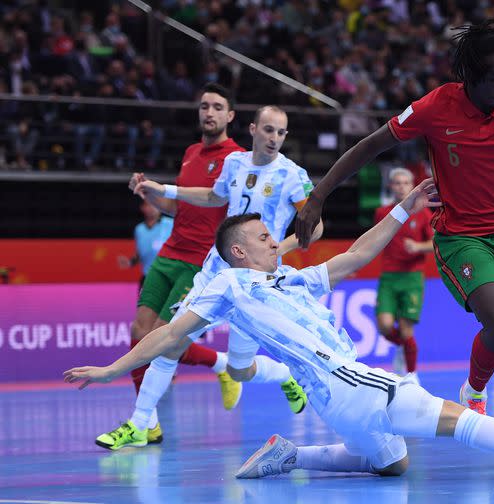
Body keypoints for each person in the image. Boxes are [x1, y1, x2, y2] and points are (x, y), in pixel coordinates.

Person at [64, 179, 494, 481]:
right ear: (238, 251)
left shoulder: (291, 279)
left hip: (335, 404)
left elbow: (355, 255)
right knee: (461, 421)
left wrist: (402, 209)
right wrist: (113, 369)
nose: (270, 240)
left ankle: (293, 455)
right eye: (261, 237)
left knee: (393, 465)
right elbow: (168, 335)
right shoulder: (227, 287)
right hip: (350, 381)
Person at [295, 19, 494, 436]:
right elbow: (370, 144)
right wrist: (318, 195)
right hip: (463, 238)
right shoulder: (435, 107)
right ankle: (474, 391)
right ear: (471, 77)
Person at [95, 105, 323, 450]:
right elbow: (213, 196)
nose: (274, 138)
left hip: (255, 284)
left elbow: (315, 227)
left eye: (281, 132)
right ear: (253, 129)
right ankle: (140, 424)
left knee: (240, 371)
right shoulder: (234, 163)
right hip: (215, 273)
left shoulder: (293, 174)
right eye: (269, 130)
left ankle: (284, 375)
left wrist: (277, 250)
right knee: (170, 343)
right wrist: (165, 191)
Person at [114, 83, 244, 448]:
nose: (209, 112)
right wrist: (150, 192)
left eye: (218, 106)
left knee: (162, 338)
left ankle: (221, 366)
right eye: (204, 106)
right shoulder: (190, 153)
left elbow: (218, 202)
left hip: (199, 262)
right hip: (169, 254)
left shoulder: (236, 158)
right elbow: (178, 207)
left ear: (230, 116)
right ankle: (149, 424)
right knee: (138, 333)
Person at [374, 168, 434, 378]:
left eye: (405, 183)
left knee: (408, 330)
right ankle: (404, 348)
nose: (401, 186)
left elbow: (436, 243)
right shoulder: (382, 213)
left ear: (412, 186)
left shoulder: (423, 214)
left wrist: (418, 247)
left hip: (412, 277)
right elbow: (374, 241)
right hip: (389, 277)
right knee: (384, 326)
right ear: (391, 187)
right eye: (397, 183)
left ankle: (411, 375)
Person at [117, 200, 174, 289]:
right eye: (148, 205)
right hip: (147, 276)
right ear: (142, 208)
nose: (152, 208)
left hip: (167, 276)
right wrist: (130, 262)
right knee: (143, 302)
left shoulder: (171, 223)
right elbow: (140, 254)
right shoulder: (139, 229)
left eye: (155, 205)